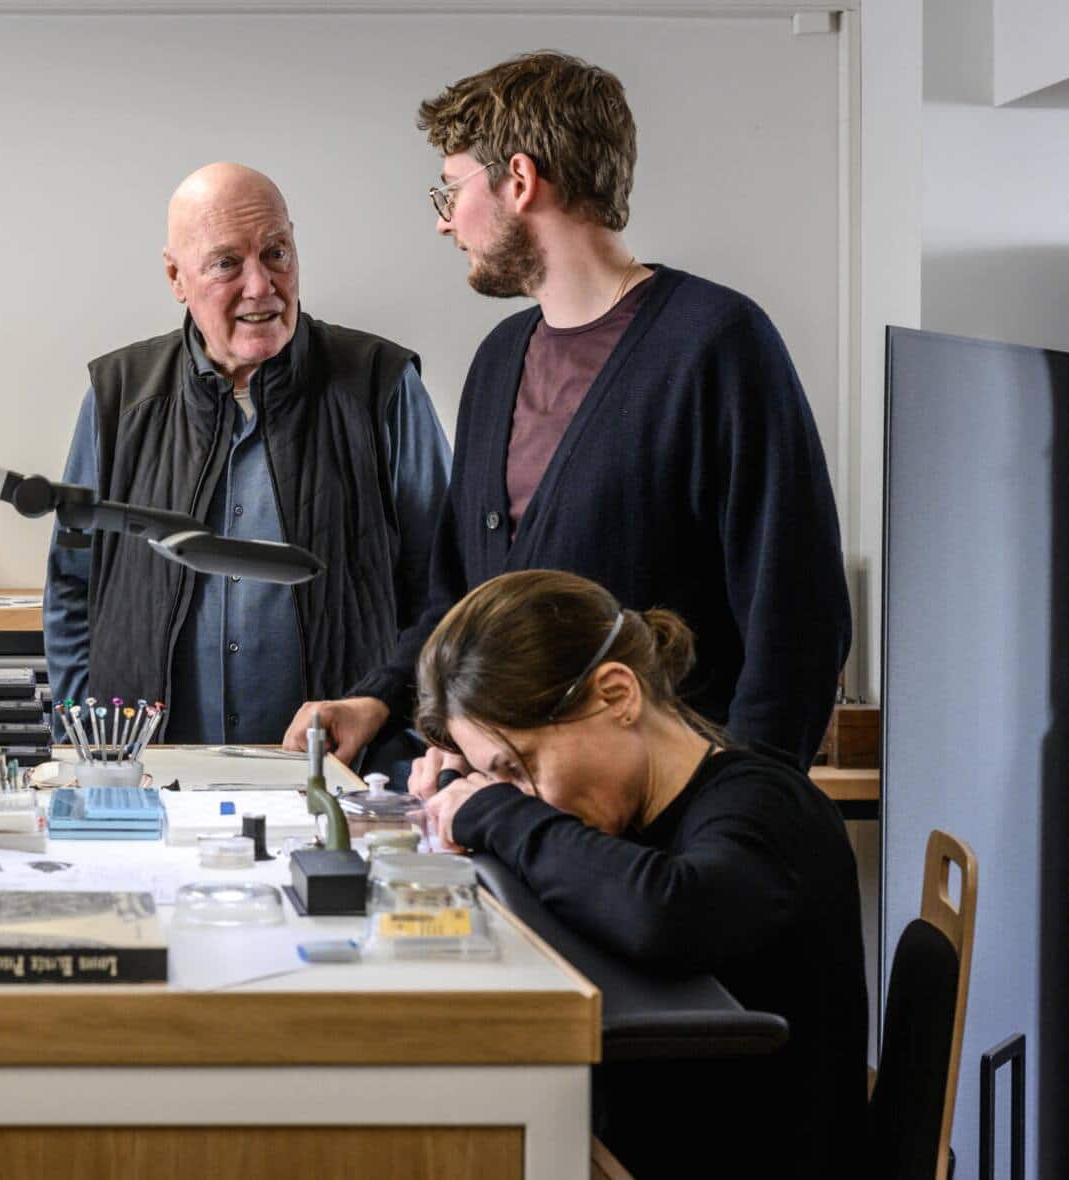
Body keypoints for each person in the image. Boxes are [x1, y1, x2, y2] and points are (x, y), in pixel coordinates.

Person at [284, 52, 851, 775]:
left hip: (664, 828)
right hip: (516, 814)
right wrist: (377, 700)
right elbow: (457, 599)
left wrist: (754, 805)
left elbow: (796, 608)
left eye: (450, 190)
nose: (444, 222)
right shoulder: (499, 359)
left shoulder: (716, 343)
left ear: (518, 180)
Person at [418, 569, 867, 1178]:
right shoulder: (630, 822)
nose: (528, 798)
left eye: (521, 767)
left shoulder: (765, 806)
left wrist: (498, 812)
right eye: (499, 777)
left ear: (616, 695)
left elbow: (672, 912)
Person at [44, 162, 450, 745]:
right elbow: (70, 586)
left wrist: (404, 729)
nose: (260, 285)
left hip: (345, 774)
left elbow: (442, 586)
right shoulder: (118, 397)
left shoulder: (378, 385)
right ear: (176, 277)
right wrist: (94, 741)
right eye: (227, 263)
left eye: (276, 253)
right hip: (152, 784)